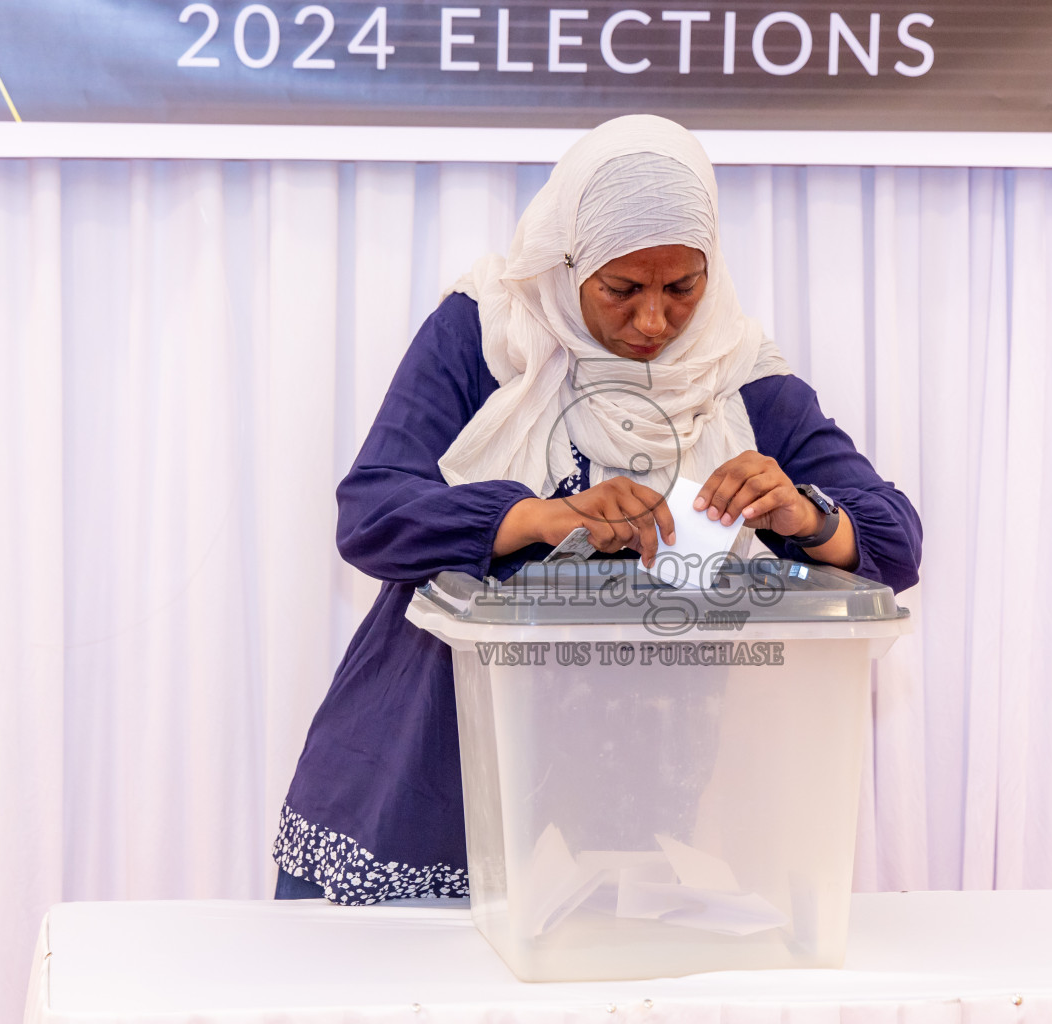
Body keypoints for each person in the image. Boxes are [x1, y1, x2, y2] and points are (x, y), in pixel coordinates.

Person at [272, 114, 922, 904]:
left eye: (683, 287)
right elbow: (372, 511)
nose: (654, 321)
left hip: (633, 817)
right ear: (566, 262)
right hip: (430, 774)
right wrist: (543, 517)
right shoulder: (489, 334)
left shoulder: (736, 376)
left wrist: (807, 517)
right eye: (623, 289)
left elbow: (894, 540)